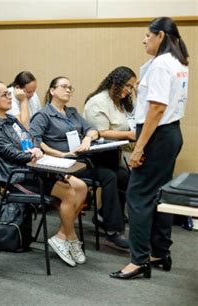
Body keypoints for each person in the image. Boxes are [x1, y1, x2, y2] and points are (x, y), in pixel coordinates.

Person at [0, 80, 88, 267]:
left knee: (82, 187)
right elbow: (11, 154)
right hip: (16, 178)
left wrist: (35, 149)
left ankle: (61, 236)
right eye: (4, 94)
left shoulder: (11, 120)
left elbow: (32, 138)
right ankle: (71, 238)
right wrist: (31, 155)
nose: (10, 96)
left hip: (34, 169)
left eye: (8, 93)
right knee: (69, 192)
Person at [110, 17, 189, 280]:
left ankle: (139, 260)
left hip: (156, 135)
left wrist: (139, 147)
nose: (144, 39)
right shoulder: (178, 62)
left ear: (161, 37)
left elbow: (156, 108)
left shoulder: (160, 65)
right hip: (171, 133)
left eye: (148, 35)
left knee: (137, 196)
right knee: (157, 195)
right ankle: (159, 252)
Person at [29, 76, 129, 249]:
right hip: (64, 162)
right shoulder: (43, 115)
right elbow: (35, 140)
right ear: (52, 90)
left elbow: (92, 130)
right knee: (109, 176)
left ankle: (105, 216)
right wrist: (60, 153)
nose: (68, 90)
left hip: (83, 158)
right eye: (64, 87)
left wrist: (88, 140)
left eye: (70, 87)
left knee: (123, 175)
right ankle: (113, 230)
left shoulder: (72, 112)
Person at [83, 66, 137, 219]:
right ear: (116, 82)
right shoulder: (98, 102)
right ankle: (111, 224)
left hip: (113, 155)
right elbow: (101, 132)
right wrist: (129, 135)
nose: (129, 90)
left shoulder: (120, 102)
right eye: (127, 85)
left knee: (125, 177)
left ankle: (107, 215)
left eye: (131, 87)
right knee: (113, 177)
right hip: (96, 157)